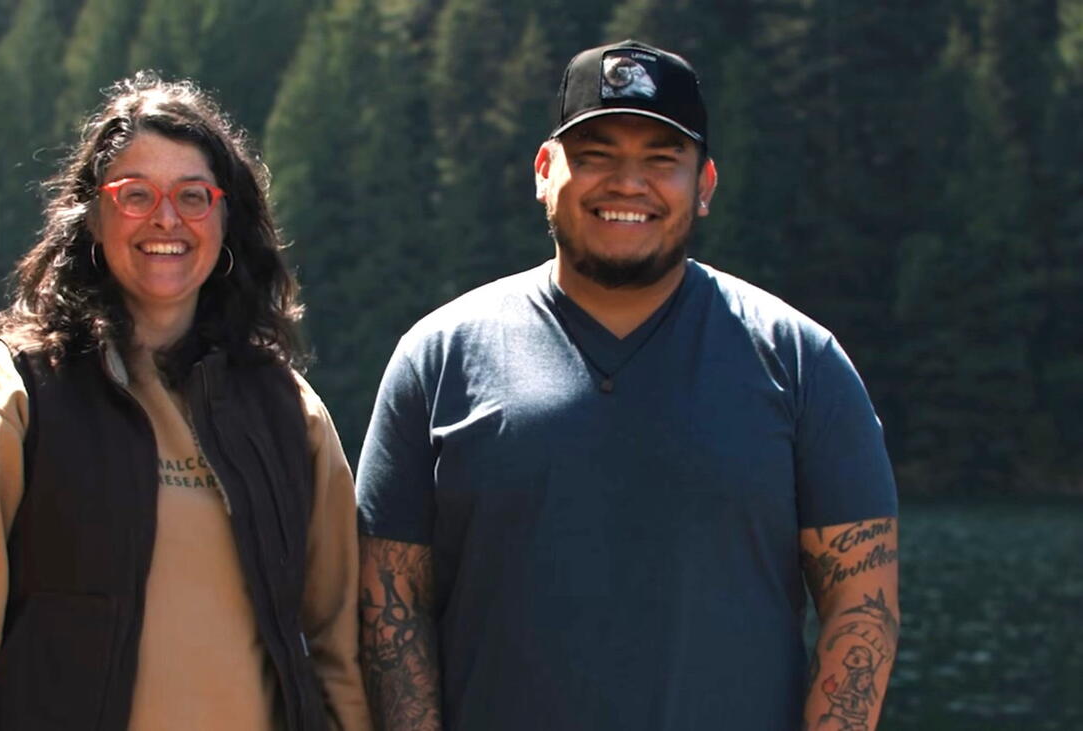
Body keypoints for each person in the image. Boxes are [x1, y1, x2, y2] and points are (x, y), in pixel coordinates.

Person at [355, 40, 900, 731]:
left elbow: (862, 609)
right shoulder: (436, 358)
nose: (626, 183)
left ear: (703, 185)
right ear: (544, 170)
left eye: (660, 159)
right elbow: (388, 609)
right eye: (596, 155)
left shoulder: (802, 361)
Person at [0, 73, 371, 731]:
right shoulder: (5, 395)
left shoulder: (292, 413)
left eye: (193, 196)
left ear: (227, 218)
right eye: (136, 195)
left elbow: (340, 651)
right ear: (90, 216)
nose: (166, 219)